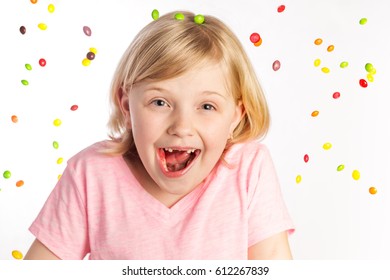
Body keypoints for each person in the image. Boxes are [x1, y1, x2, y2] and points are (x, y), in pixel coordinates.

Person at [24, 10, 294, 260]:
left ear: (235, 116)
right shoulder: (91, 174)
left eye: (207, 106)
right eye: (160, 103)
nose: (181, 126)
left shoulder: (248, 168)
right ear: (127, 106)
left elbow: (273, 262)